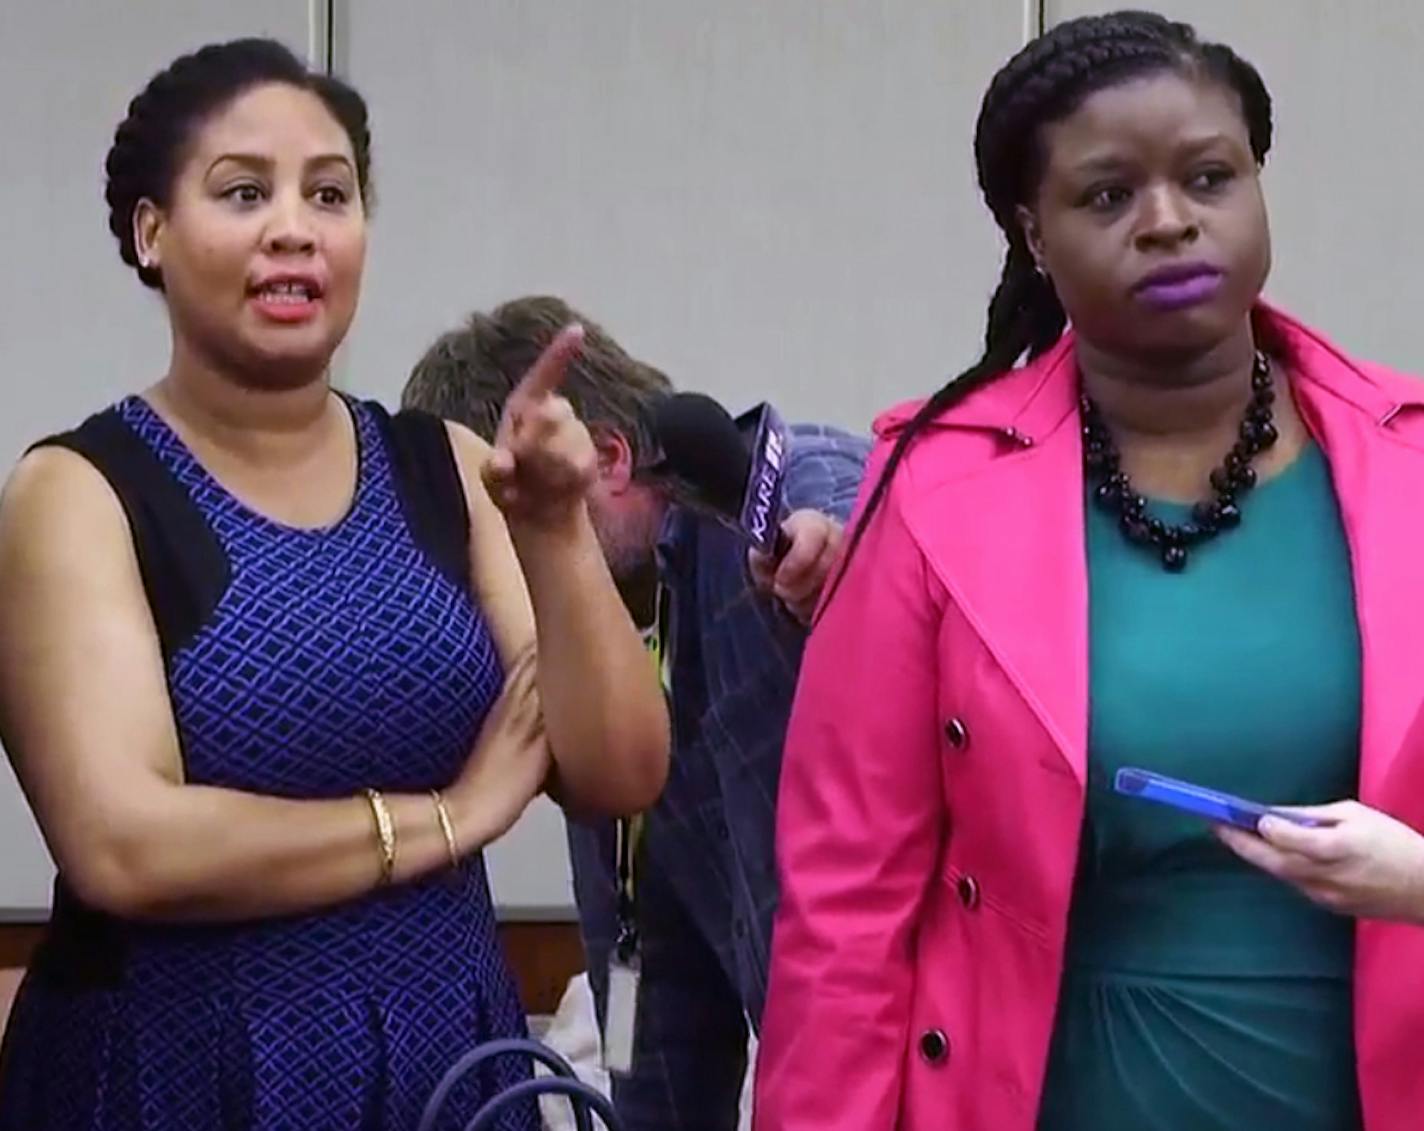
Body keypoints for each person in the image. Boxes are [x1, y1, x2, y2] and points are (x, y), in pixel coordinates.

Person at [755, 12, 1424, 1131]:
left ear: (1258, 186)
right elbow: (844, 912)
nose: (1167, 222)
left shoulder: (1409, 462)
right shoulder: (926, 492)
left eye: (1207, 177)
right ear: (1031, 234)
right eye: (1106, 196)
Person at [0, 39, 668, 1131]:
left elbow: (621, 770)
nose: (294, 227)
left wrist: (553, 534)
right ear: (149, 230)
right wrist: (446, 818)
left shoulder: (442, 466)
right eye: (243, 192)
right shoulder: (77, 491)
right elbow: (124, 844)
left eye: (329, 192)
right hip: (179, 1069)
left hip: (447, 1055)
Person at [403, 296, 869, 1131]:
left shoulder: (776, 506)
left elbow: (844, 516)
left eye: (505, 519)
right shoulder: (591, 655)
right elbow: (655, 1025)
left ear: (609, 460)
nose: (492, 571)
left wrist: (841, 562)